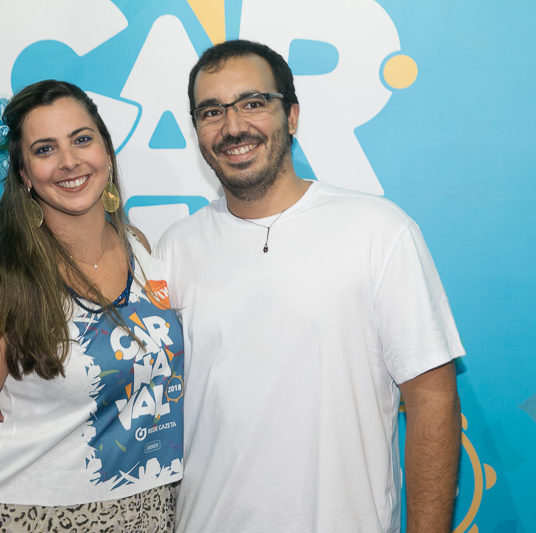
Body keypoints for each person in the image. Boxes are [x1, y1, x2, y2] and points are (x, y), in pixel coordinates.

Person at [154, 40, 465, 532]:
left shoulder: (379, 230)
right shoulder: (173, 249)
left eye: (252, 103)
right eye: (212, 111)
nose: (232, 127)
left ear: (292, 116)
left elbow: (432, 399)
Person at [0, 80, 184, 532]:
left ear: (106, 150)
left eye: (81, 139)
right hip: (35, 520)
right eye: (44, 149)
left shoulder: (139, 248)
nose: (69, 161)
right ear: (24, 174)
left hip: (151, 514)